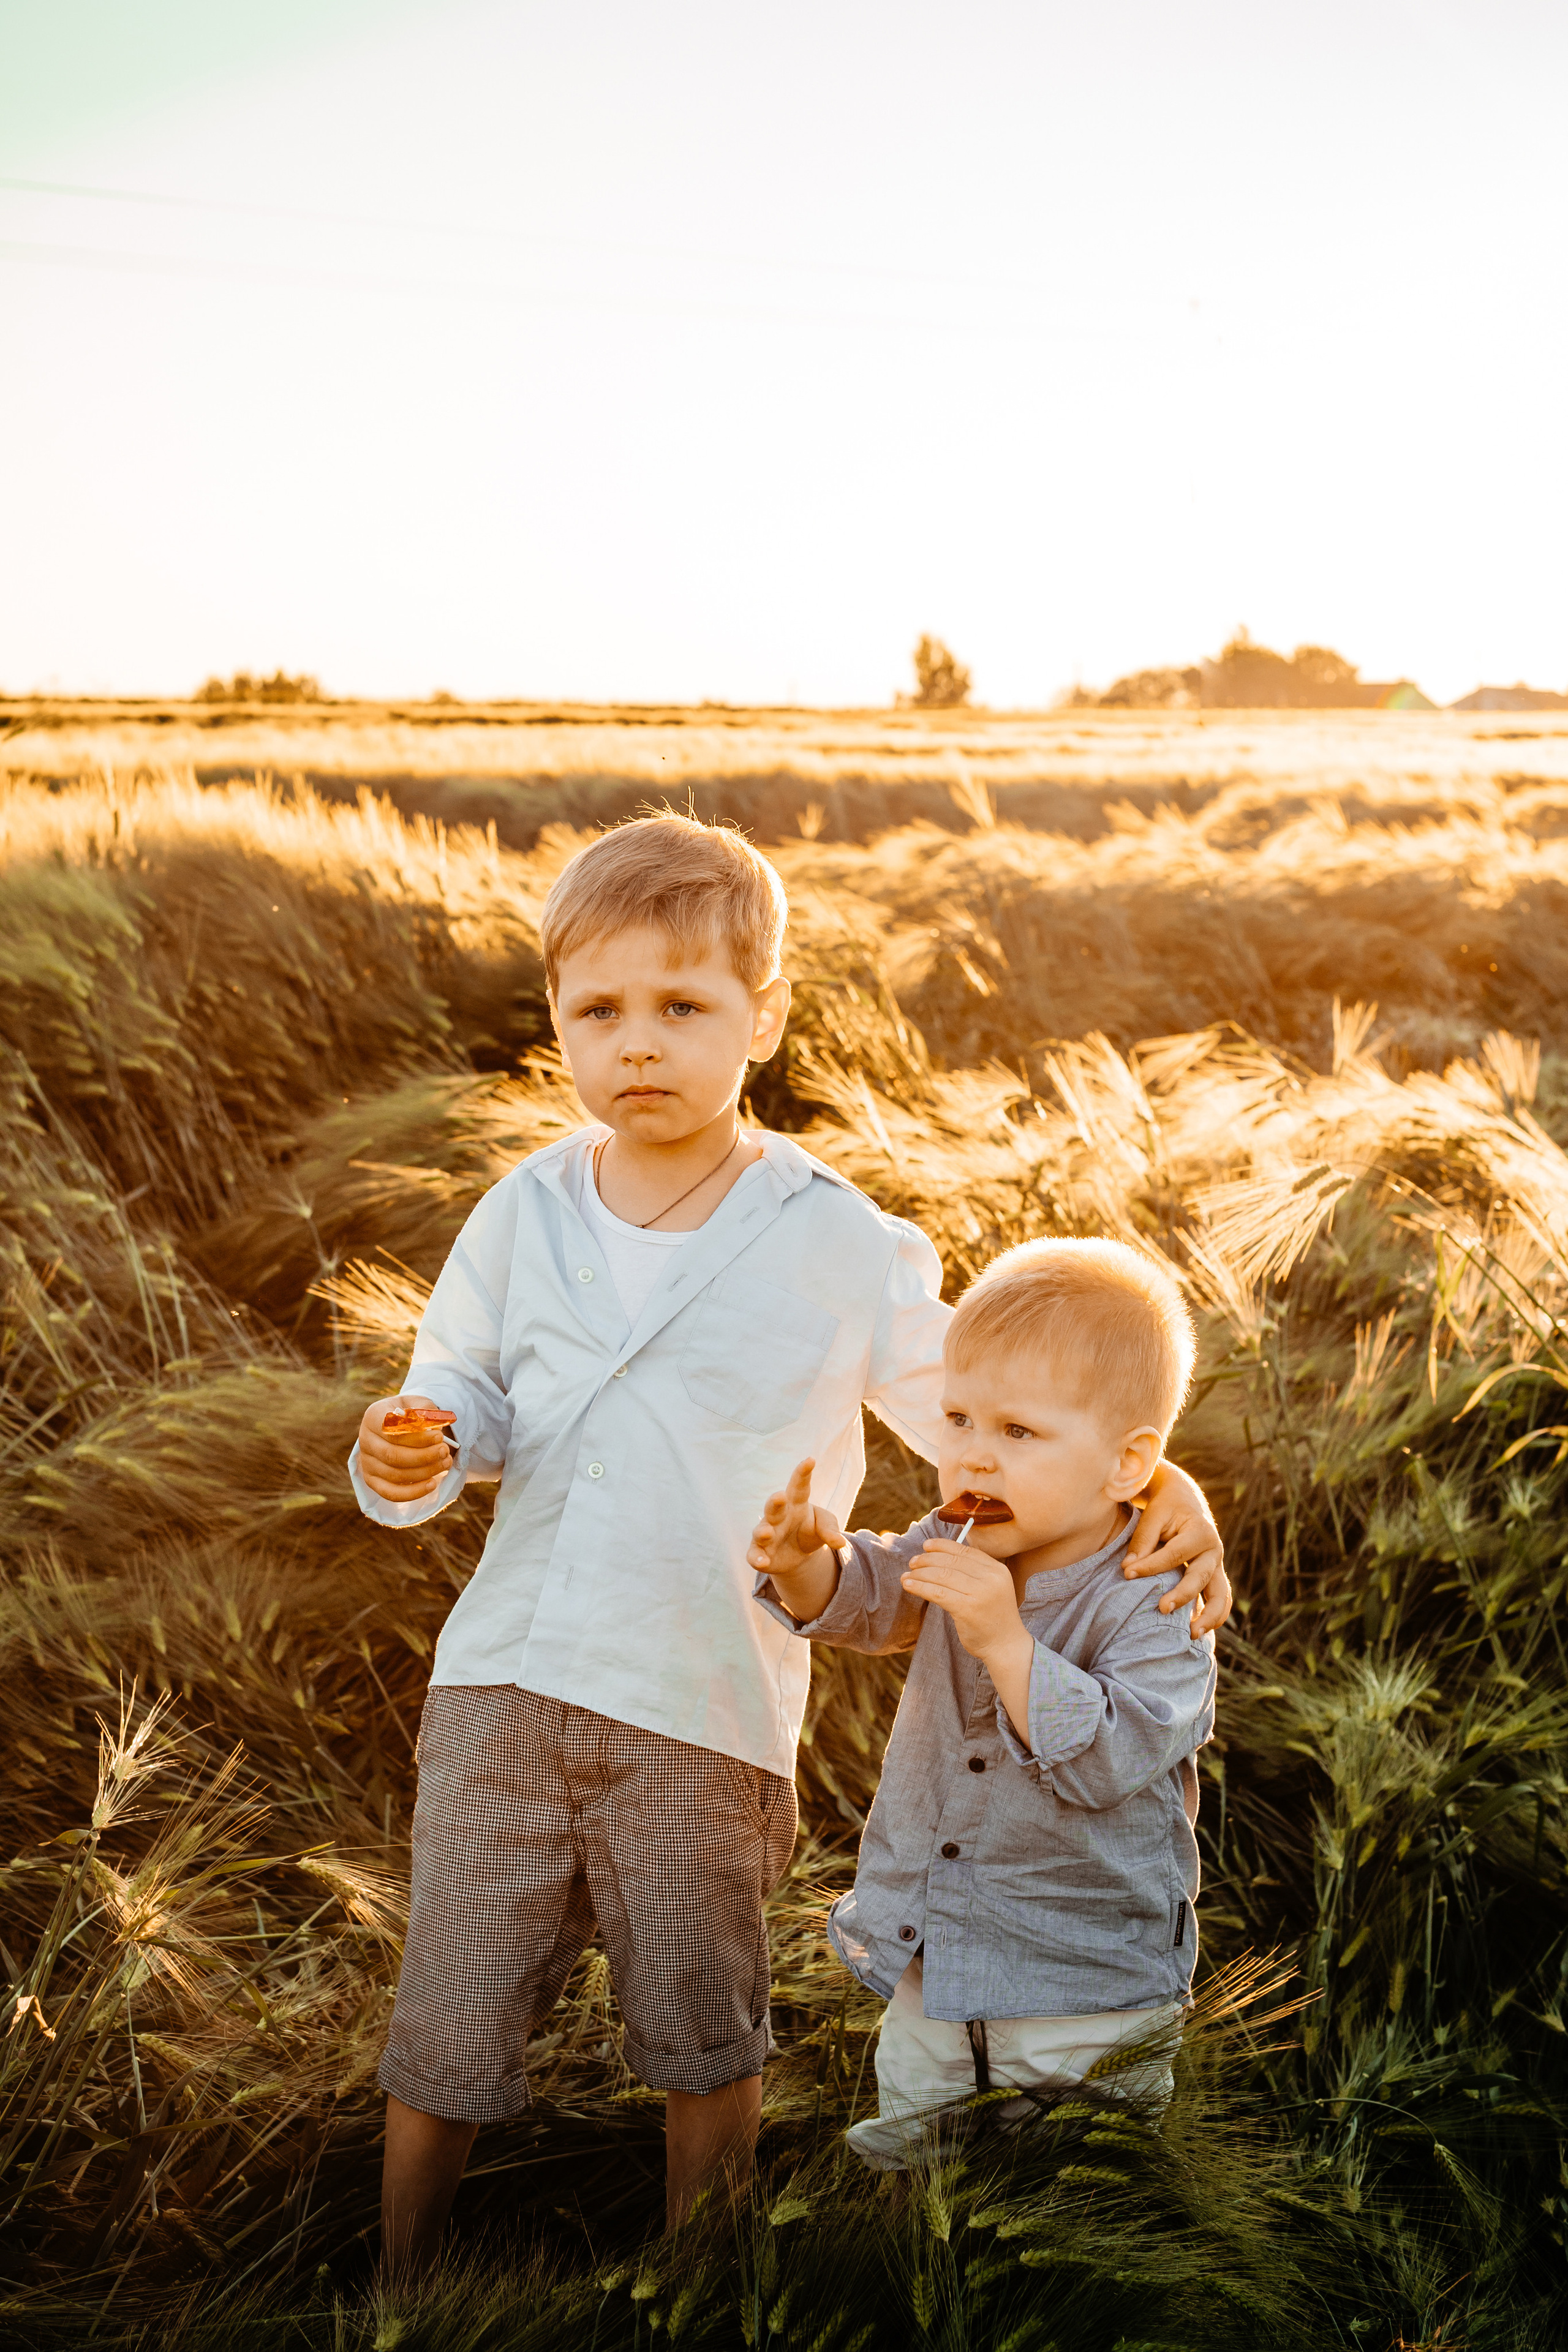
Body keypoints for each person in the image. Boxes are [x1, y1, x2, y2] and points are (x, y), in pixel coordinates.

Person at [348, 814, 1229, 2263]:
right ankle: (400, 2282)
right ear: (557, 1021)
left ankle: (710, 2278)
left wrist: (1158, 1489)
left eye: (683, 1008)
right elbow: (461, 1392)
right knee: (447, 1996)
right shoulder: (519, 1213)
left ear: (762, 1018)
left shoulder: (834, 1237)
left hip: (701, 1694)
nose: (638, 1044)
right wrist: (417, 1445)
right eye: (599, 1012)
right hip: (503, 1671)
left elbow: (999, 1419)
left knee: (702, 2017)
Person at [748, 1236, 1217, 2166]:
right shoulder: (956, 1534)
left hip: (1083, 1984)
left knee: (1085, 2201)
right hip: (938, 1959)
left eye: (1018, 1433)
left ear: (1130, 1466)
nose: (973, 1458)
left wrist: (1007, 1641)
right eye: (958, 1420)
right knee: (915, 2181)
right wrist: (806, 1560)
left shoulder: (1162, 1598)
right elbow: (869, 1596)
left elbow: (1110, 1760)